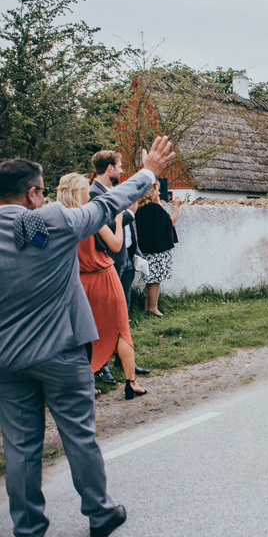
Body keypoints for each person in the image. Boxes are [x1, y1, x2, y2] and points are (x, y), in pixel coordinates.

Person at [0, 136, 175, 537]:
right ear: (32, 193)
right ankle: (99, 514)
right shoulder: (55, 221)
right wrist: (148, 170)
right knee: (79, 435)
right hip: (61, 351)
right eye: (41, 192)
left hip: (7, 359)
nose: (44, 198)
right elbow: (109, 204)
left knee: (20, 446)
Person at [56, 173, 148, 400]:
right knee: (120, 330)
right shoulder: (90, 217)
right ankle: (131, 382)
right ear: (81, 192)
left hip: (78, 282)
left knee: (82, 335)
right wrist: (118, 222)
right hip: (104, 277)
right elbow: (116, 245)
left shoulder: (59, 220)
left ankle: (86, 384)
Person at [89, 150, 149, 384]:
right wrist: (126, 216)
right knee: (104, 318)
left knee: (122, 317)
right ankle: (101, 365)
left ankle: (124, 360)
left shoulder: (110, 192)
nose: (122, 170)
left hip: (123, 259)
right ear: (110, 168)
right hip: (106, 263)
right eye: (120, 165)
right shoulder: (94, 194)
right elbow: (103, 227)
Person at [135, 181, 181, 317]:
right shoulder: (155, 208)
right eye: (157, 190)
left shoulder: (141, 208)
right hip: (157, 250)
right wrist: (177, 207)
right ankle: (153, 308)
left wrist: (158, 202)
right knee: (156, 279)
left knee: (149, 279)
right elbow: (170, 221)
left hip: (146, 249)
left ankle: (147, 306)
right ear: (150, 192)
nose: (159, 193)